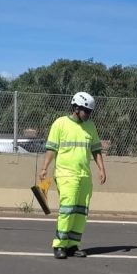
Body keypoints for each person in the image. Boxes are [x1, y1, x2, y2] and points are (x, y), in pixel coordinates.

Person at [39, 92, 107, 259]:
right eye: (86, 111)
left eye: (90, 112)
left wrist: (101, 169)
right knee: (67, 210)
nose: (88, 114)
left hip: (84, 175)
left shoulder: (90, 126)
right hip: (66, 174)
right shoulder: (60, 124)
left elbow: (96, 150)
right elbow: (52, 148)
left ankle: (72, 245)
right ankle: (60, 245)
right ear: (76, 108)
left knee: (81, 212)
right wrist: (44, 168)